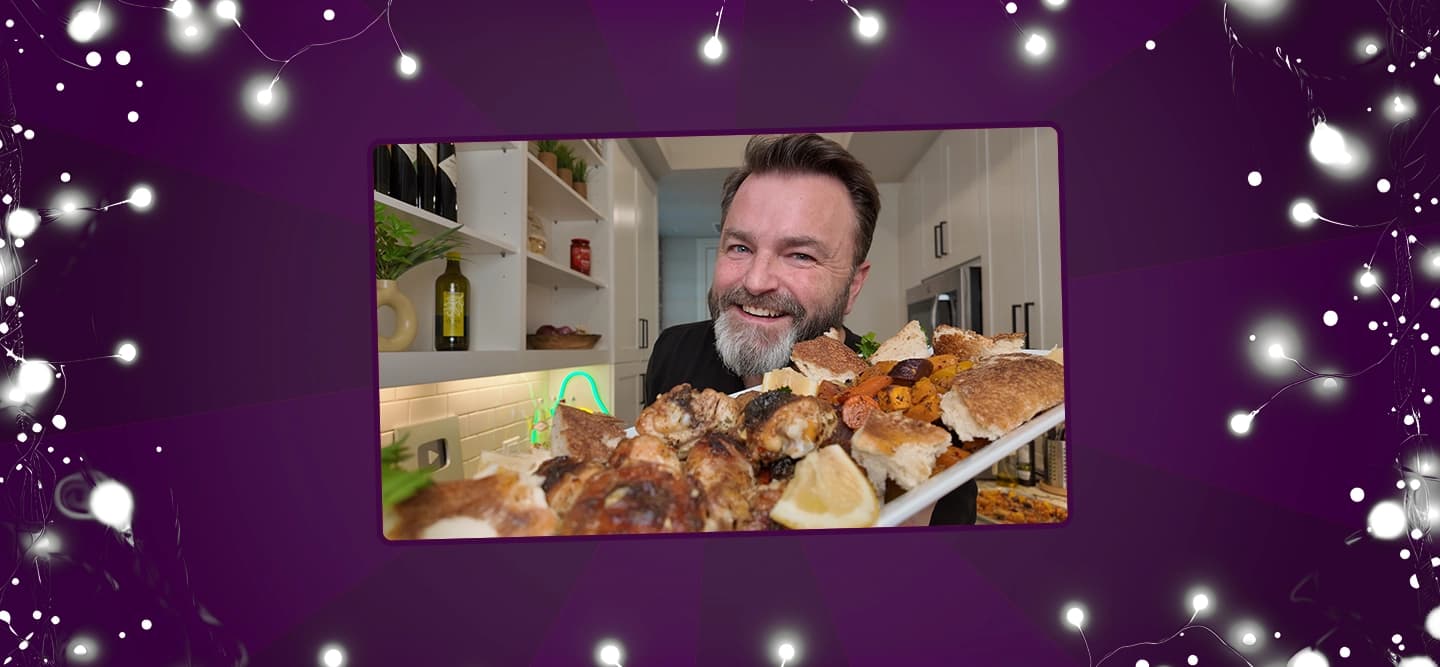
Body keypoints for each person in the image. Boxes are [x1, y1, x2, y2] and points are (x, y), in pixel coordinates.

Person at [643, 133, 976, 526]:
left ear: (853, 286)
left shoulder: (922, 432)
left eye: (800, 255)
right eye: (740, 248)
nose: (755, 281)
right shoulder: (672, 350)